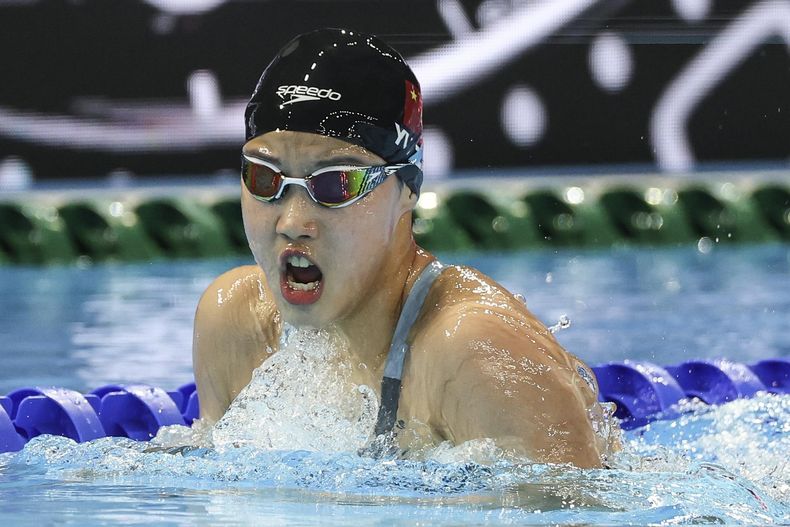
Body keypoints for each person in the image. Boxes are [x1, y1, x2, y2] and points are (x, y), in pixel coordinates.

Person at [193, 28, 615, 468]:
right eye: (266, 179)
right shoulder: (238, 325)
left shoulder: (472, 353)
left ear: (407, 189)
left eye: (336, 183)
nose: (292, 222)